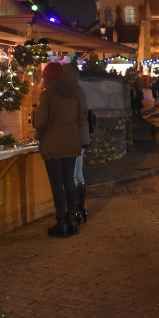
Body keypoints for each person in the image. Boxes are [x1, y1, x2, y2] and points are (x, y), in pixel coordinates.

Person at [34, 62, 84, 238]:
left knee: (57, 185)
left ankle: (61, 223)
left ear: (47, 76)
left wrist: (38, 134)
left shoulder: (47, 95)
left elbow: (39, 122)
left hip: (53, 145)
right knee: (69, 181)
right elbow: (81, 118)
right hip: (71, 143)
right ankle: (72, 221)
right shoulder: (73, 94)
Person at [62, 63, 90, 226]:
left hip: (74, 139)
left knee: (72, 173)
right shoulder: (79, 90)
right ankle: (81, 208)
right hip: (81, 138)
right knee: (78, 172)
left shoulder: (72, 91)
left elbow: (76, 116)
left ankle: (75, 210)